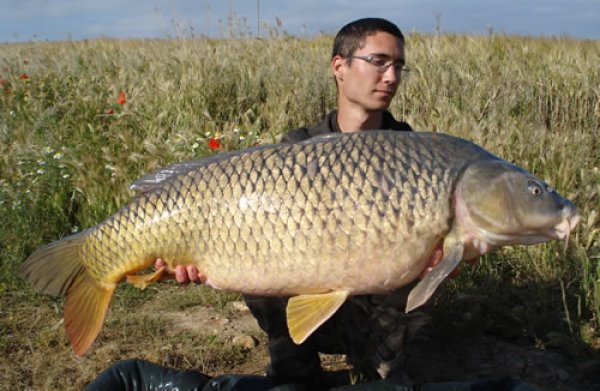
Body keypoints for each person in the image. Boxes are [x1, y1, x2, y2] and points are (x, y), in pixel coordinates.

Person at [86, 18, 534, 391]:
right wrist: (186, 260)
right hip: (304, 289)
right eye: (378, 62)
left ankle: (381, 365)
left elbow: (447, 251)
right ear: (340, 66)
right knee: (259, 271)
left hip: (377, 306)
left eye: (399, 65)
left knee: (401, 330)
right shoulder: (298, 147)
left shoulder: (414, 151)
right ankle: (294, 370)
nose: (391, 76)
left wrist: (451, 254)